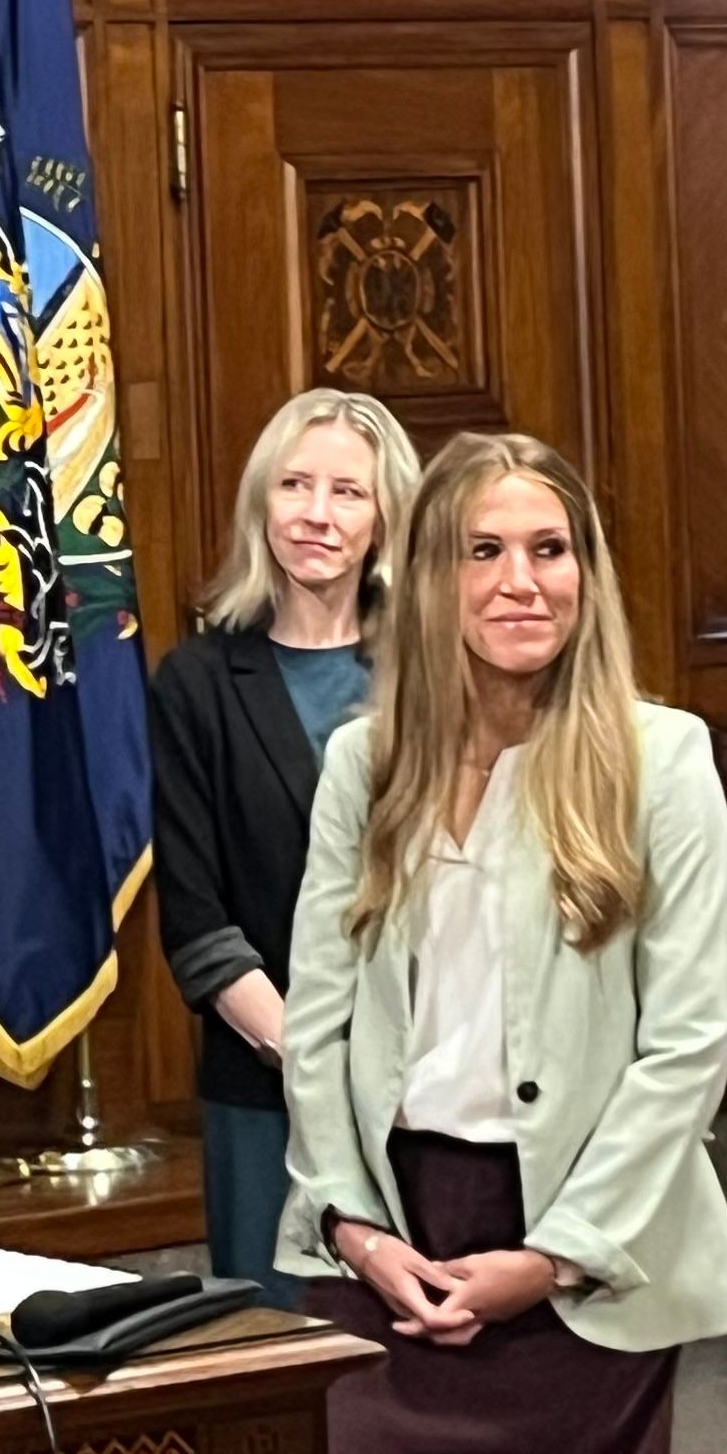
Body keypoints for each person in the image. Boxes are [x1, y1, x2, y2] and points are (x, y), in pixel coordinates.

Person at [270, 429, 727, 1454]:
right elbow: (318, 1017)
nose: (521, 582)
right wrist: (353, 1223)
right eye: (485, 551)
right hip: (389, 1244)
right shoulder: (368, 763)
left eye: (551, 551)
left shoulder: (660, 759)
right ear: (429, 577)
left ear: (589, 576)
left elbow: (688, 1041)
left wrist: (555, 1254)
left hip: (576, 1268)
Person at [151, 386, 419, 1302]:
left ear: (387, 517)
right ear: (260, 503)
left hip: (429, 1089)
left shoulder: (433, 676)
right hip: (265, 1090)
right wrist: (315, 1057)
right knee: (279, 1370)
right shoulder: (195, 682)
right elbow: (194, 917)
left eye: (349, 491)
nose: (316, 514)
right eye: (295, 485)